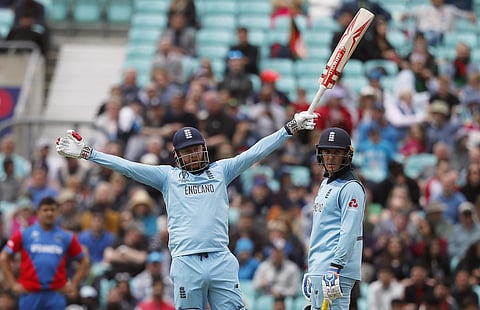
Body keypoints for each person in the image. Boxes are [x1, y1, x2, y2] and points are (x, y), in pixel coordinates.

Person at [55, 111, 317, 309]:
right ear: (177, 155)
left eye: (196, 149)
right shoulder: (168, 177)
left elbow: (255, 152)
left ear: (204, 149)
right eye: (187, 151)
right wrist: (88, 153)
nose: (193, 155)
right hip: (185, 261)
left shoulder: (220, 171)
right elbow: (127, 167)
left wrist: (290, 127)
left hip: (219, 258)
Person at [303, 127, 366, 309]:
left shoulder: (351, 187)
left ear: (347, 155)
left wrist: (335, 267)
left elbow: (350, 231)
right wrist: (312, 270)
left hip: (334, 271)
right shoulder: (325, 184)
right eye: (327, 152)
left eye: (336, 153)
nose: (330, 157)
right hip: (320, 267)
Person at [0, 196, 89, 310]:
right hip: (31, 293)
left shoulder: (66, 236)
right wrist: (13, 284)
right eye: (45, 210)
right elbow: (4, 257)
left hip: (55, 294)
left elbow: (84, 261)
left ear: (57, 212)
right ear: (38, 212)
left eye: (52, 210)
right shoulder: (25, 234)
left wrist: (73, 284)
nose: (49, 213)